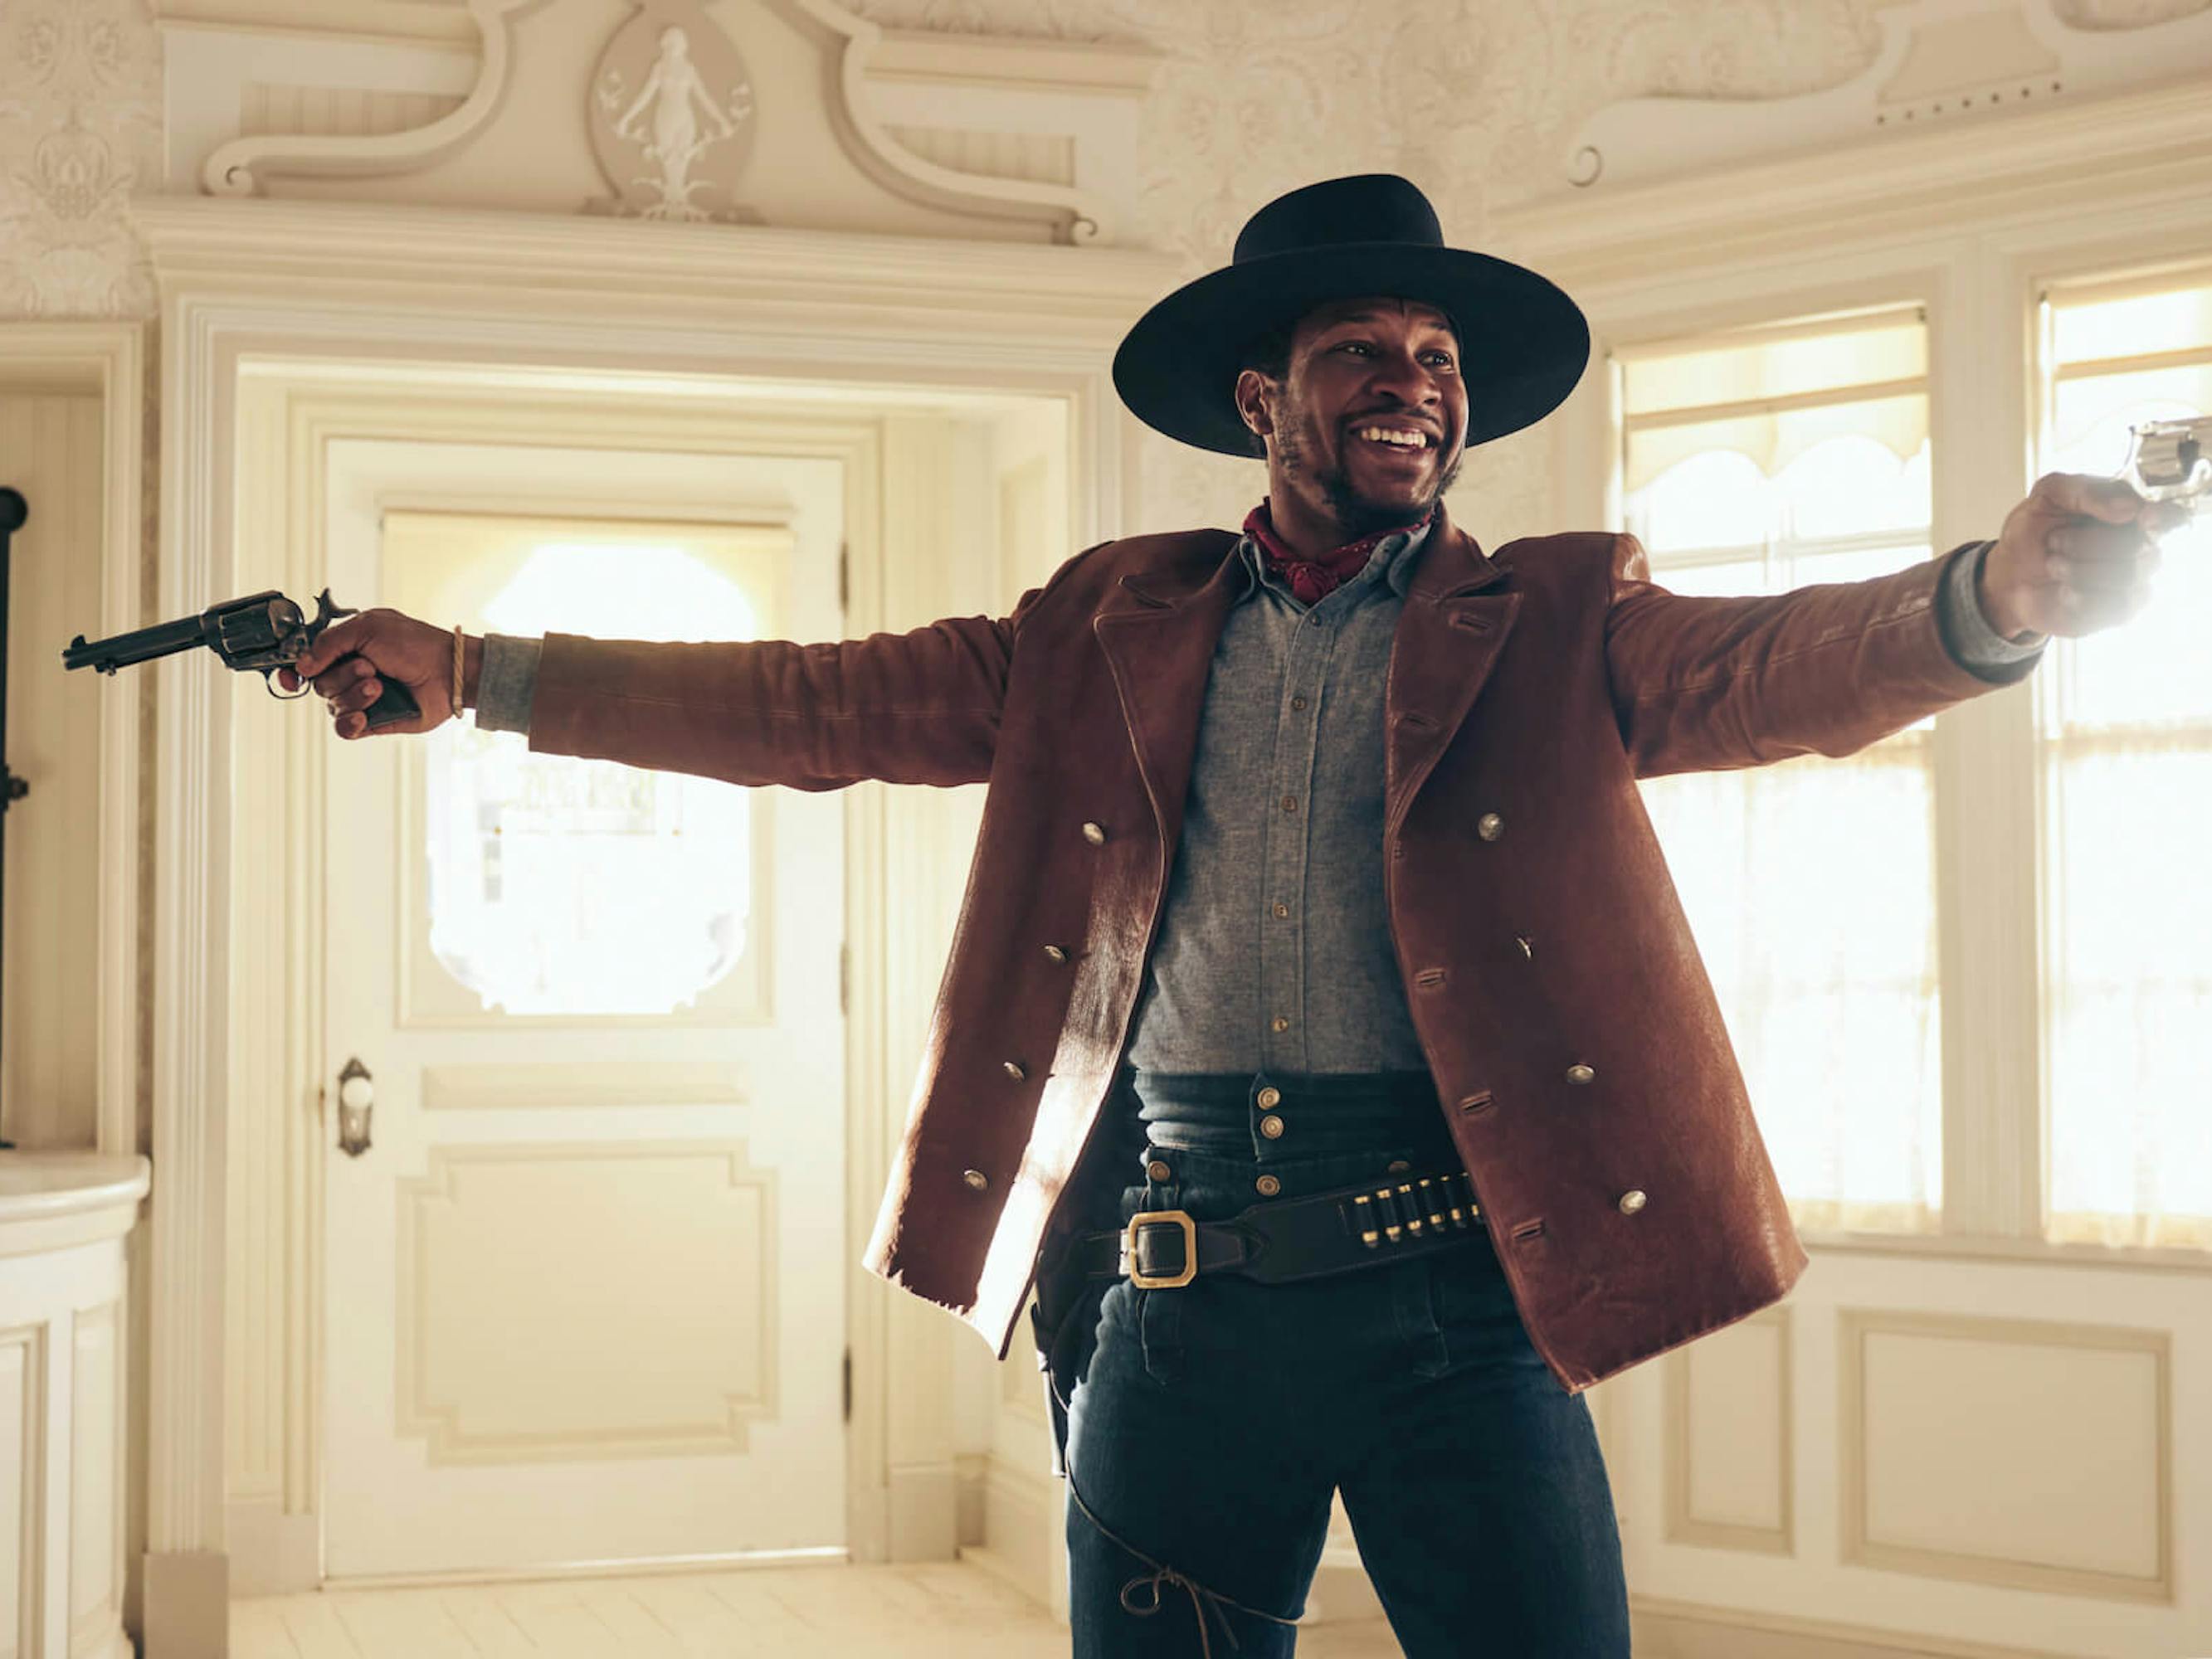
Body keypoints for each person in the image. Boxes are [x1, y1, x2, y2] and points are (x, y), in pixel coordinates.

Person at [283, 174, 2180, 1657]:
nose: (1415, 387)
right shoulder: (1095, 623)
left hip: (1463, 1293)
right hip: (1180, 1291)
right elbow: (812, 703)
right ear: (1263, 397)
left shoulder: (1554, 619)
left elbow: (1774, 666)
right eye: (1366, 351)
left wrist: (1985, 601)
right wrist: (481, 667)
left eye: (1436, 359)